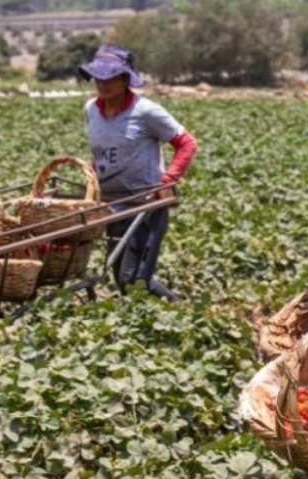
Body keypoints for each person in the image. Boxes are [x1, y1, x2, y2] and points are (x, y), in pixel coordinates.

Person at [78, 44, 198, 302]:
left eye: (110, 78)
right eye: (99, 78)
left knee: (133, 279)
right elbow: (104, 150)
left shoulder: (146, 111)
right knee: (121, 279)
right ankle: (167, 313)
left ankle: (181, 313)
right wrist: (92, 169)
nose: (103, 83)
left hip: (145, 206)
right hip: (111, 205)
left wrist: (169, 180)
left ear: (125, 79)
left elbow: (187, 143)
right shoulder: (91, 109)